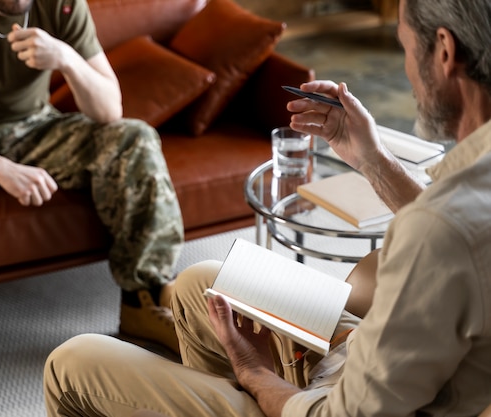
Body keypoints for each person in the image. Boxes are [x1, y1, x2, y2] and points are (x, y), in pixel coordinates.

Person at [42, 0, 491, 415]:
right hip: (378, 356)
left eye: (406, 48)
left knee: (70, 363)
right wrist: (373, 160)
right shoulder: (469, 186)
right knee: (205, 283)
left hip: (338, 400)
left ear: (445, 51)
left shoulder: (439, 230)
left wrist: (256, 376)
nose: (408, 69)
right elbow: (457, 233)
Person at [0, 0, 184, 415]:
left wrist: (67, 59)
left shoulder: (61, 4)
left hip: (37, 127)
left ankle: (145, 301)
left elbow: (109, 110)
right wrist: (3, 168)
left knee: (134, 138)